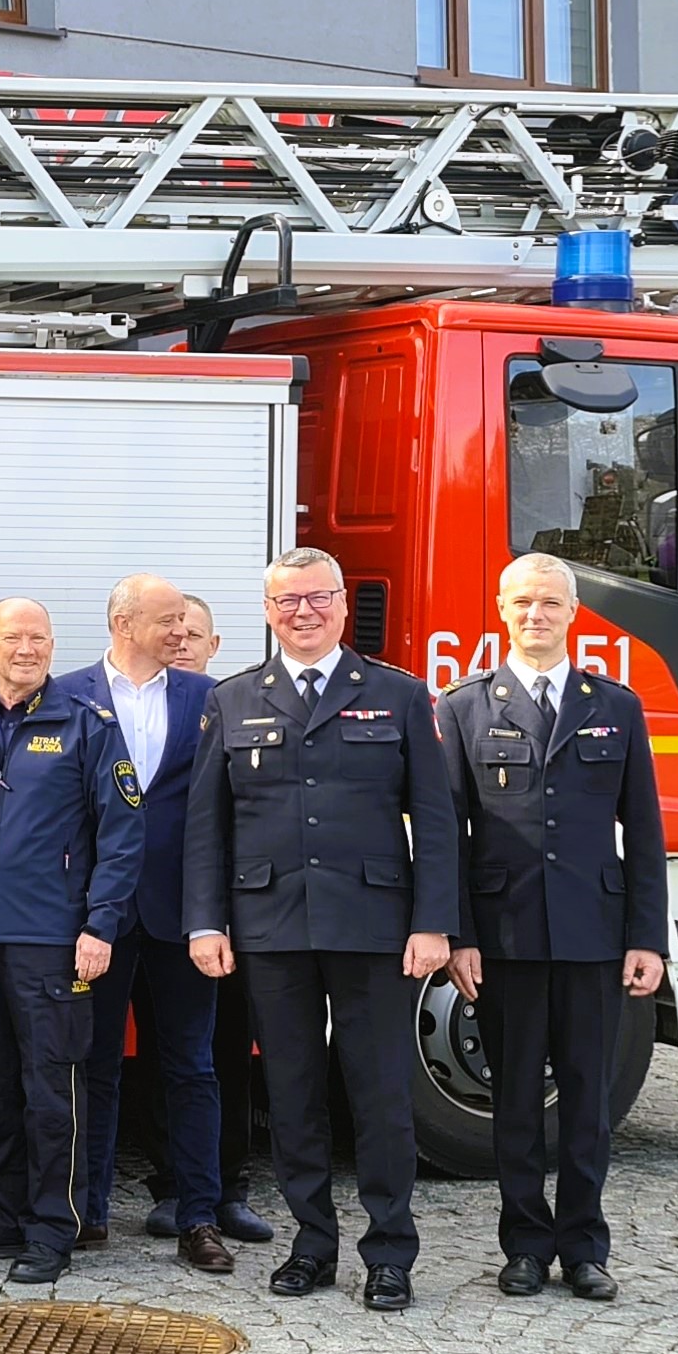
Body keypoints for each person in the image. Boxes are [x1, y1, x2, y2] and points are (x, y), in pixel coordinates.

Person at [186, 546, 460, 1313]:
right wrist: (204, 921)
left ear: (342, 604)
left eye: (316, 597)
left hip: (373, 925)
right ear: (267, 611)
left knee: (379, 1094)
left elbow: (436, 819)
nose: (302, 611)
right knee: (292, 1091)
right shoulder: (234, 698)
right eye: (286, 600)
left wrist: (433, 921)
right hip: (270, 925)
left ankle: (389, 1251)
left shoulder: (397, 693)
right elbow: (206, 825)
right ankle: (311, 1243)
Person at [441, 554, 667, 1304]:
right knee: (513, 1102)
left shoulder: (616, 706)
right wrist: (459, 935)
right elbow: (448, 835)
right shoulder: (465, 706)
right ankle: (525, 1246)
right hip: (503, 938)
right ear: (501, 611)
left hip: (592, 936)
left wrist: (646, 938)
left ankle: (584, 1247)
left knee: (587, 1102)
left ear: (573, 613)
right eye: (521, 603)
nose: (534, 615)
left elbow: (643, 830)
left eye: (548, 603)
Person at [0, 597, 144, 1285]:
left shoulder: (87, 725)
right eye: (12, 638)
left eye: (38, 638)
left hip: (52, 939)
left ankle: (53, 1226)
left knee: (51, 1088)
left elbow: (121, 835)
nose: (27, 649)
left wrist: (99, 924)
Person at [40, 575, 239, 1273]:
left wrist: (215, 913)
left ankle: (198, 1214)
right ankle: (86, 1210)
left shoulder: (208, 697)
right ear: (124, 623)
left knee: (191, 1066)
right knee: (92, 1064)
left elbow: (223, 811)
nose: (182, 632)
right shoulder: (65, 695)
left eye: (185, 620)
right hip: (95, 915)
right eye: (168, 620)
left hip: (183, 912)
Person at [134, 592, 270, 1247]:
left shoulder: (238, 708)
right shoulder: (125, 705)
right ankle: (172, 1184)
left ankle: (229, 1189)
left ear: (214, 647)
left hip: (225, 909)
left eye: (195, 635)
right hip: (149, 908)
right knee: (162, 1051)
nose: (182, 642)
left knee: (228, 1050)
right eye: (173, 631)